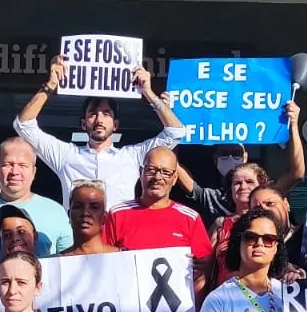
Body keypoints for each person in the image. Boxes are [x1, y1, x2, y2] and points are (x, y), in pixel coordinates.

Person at [14, 55, 185, 208]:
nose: (99, 120)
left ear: (116, 124)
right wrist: (51, 84)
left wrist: (148, 92)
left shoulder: (132, 156)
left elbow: (175, 132)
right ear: (83, 123)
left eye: (106, 113)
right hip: (78, 239)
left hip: (119, 239)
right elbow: (24, 125)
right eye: (92, 114)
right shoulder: (65, 155)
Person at [108, 146, 212, 296]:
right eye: (151, 170)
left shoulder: (190, 218)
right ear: (141, 173)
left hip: (178, 311)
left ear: (175, 178)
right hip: (127, 305)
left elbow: (204, 271)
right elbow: (103, 263)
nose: (158, 177)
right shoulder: (117, 214)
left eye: (166, 172)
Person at [180, 101, 304, 221]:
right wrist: (168, 118)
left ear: (245, 157)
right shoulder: (212, 199)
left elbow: (296, 174)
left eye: (236, 154)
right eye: (237, 183)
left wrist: (293, 125)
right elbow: (174, 168)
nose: (243, 186)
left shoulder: (266, 194)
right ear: (215, 158)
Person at [61, 180, 120, 256]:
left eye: (94, 207)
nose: (85, 213)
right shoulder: (52, 263)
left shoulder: (126, 257)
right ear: (69, 215)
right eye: (78, 206)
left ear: (104, 217)